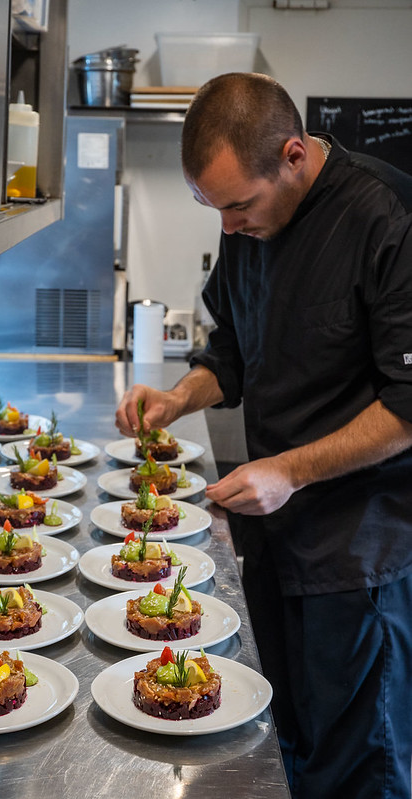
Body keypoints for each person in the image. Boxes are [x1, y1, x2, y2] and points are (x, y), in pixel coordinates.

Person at [115, 73, 412, 799]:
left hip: (358, 559)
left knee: (358, 765)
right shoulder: (250, 224)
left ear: (292, 155)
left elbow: (407, 406)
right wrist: (178, 397)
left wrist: (290, 470)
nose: (227, 226)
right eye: (210, 207)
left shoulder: (385, 217)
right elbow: (232, 353)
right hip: (272, 540)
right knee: (292, 748)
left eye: (237, 205)